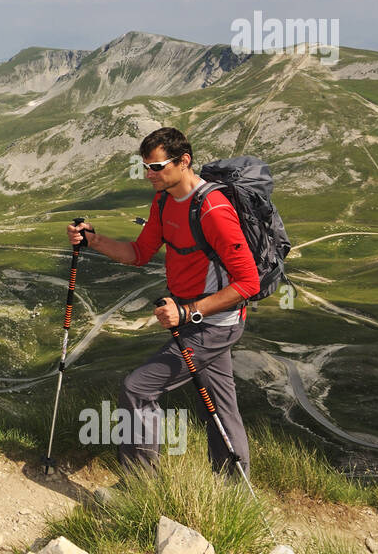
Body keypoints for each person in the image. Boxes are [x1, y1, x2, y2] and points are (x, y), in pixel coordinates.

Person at [65, 127, 260, 478]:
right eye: (145, 167)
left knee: (137, 388)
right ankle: (232, 492)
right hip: (191, 320)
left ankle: (142, 489)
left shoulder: (214, 209)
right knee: (218, 406)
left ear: (184, 161)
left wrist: (187, 311)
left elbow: (248, 283)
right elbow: (139, 253)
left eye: (157, 167)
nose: (148, 175)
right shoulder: (164, 200)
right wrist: (92, 241)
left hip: (213, 324)